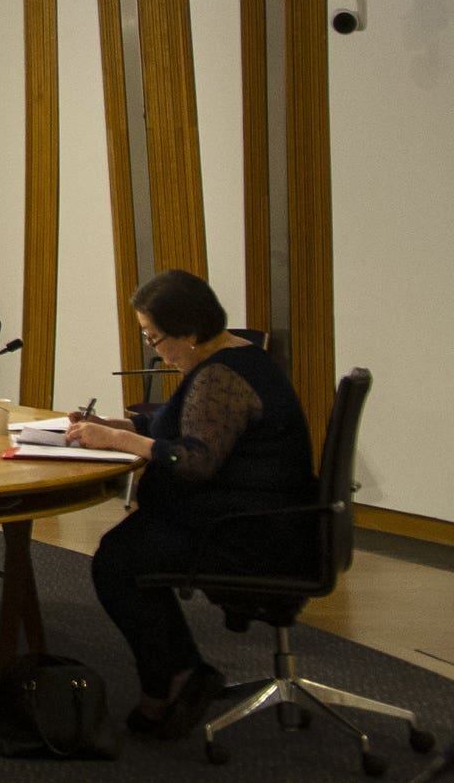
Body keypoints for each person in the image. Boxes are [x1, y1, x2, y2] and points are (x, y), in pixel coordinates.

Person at [67, 269, 318, 740]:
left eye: (154, 337)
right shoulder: (237, 357)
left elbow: (195, 459)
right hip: (260, 517)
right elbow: (178, 425)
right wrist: (109, 425)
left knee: (119, 561)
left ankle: (177, 677)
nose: (152, 348)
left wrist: (118, 439)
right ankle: (178, 672)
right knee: (126, 550)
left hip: (250, 533)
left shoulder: (222, 376)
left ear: (188, 331)